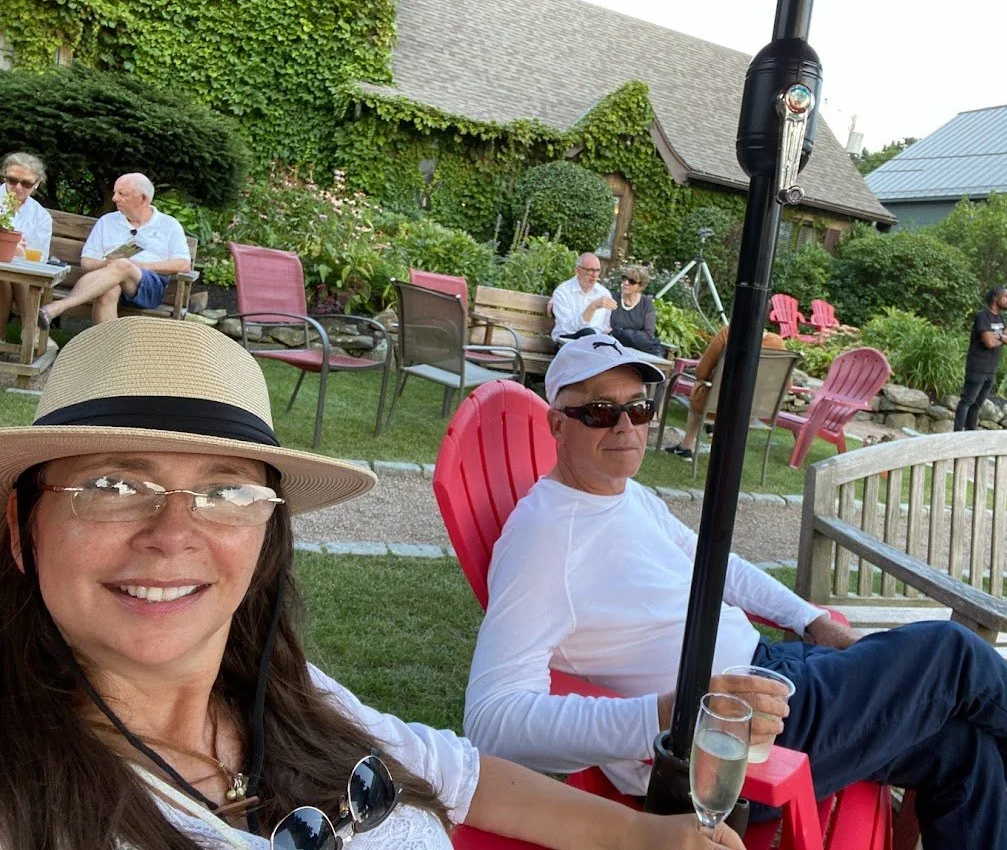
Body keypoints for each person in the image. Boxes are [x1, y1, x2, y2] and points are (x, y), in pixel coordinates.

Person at [0, 317, 741, 850]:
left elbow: (460, 773)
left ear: (266, 534)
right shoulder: (28, 799)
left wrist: (643, 835)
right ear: (20, 527)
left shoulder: (286, 693)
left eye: (226, 490)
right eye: (112, 485)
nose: (172, 533)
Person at [464, 332, 1007, 850]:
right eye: (598, 411)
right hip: (726, 741)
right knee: (948, 652)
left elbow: (715, 564)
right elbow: (492, 722)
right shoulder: (543, 540)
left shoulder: (623, 494)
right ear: (556, 422)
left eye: (639, 407)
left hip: (772, 670)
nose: (624, 426)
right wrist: (673, 712)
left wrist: (812, 619)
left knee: (964, 747)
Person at [36, 173, 191, 329]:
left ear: (143, 199)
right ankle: (109, 346)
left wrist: (136, 265)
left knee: (123, 265)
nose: (114, 198)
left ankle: (58, 307)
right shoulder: (107, 221)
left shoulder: (169, 225)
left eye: (122, 194)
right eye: (115, 192)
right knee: (108, 291)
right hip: (104, 282)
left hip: (150, 287)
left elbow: (183, 265)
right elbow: (87, 262)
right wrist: (108, 265)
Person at [664, 322, 785, 461]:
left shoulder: (728, 334)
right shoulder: (777, 343)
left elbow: (701, 373)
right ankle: (717, 438)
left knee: (700, 386)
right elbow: (786, 384)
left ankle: (686, 446)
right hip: (751, 411)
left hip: (718, 406)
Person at [0, 151, 53, 330]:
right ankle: (31, 329)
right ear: (4, 176)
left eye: (26, 183)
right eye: (12, 180)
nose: (18, 187)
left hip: (19, 278)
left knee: (9, 278)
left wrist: (20, 253)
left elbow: (39, 260)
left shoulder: (40, 216)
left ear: (36, 184)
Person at [953, 287, 1007, 431]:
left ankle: (970, 434)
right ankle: (956, 435)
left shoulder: (1000, 319)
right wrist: (1002, 339)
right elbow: (989, 343)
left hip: (991, 370)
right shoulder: (983, 316)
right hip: (977, 367)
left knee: (977, 404)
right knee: (967, 401)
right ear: (995, 298)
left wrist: (998, 336)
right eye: (1006, 296)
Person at [550, 252, 615, 341]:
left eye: (597, 270)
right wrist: (592, 307)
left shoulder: (604, 293)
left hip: (595, 343)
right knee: (588, 332)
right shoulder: (563, 292)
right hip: (567, 341)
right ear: (577, 271)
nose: (594, 275)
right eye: (590, 270)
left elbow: (604, 327)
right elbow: (567, 328)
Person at [609, 265, 664, 357]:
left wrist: (623, 333)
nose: (626, 283)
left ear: (640, 286)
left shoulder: (647, 304)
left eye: (632, 281)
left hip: (637, 349)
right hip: (613, 346)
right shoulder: (612, 298)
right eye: (624, 278)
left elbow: (648, 334)